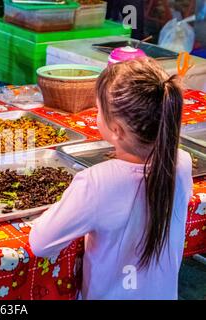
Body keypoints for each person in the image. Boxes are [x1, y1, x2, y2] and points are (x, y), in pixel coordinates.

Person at [29, 58, 193, 300]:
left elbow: (41, 243)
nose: (96, 115)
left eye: (97, 110)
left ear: (116, 129)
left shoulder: (97, 182)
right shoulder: (182, 162)